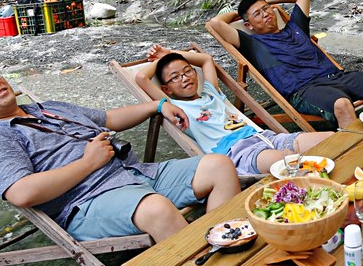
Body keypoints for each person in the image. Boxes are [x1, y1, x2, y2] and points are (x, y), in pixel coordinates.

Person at [0, 61, 240, 243]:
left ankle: (219, 242)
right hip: (88, 202)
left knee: (219, 165)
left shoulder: (49, 108)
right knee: (157, 209)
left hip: (133, 175)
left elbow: (109, 118)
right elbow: (21, 192)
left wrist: (157, 105)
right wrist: (88, 162)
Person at [208, 0, 363, 128]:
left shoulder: (296, 28)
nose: (266, 14)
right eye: (258, 14)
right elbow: (215, 24)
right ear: (249, 25)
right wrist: (240, 12)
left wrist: (263, 2)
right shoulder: (254, 45)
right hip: (304, 90)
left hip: (337, 77)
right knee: (342, 104)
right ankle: (356, 150)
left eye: (266, 10)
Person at [136, 45, 332, 176]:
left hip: (267, 137)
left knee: (331, 139)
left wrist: (169, 54)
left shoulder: (211, 92)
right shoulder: (176, 107)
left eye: (187, 71)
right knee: (290, 164)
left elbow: (205, 59)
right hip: (238, 153)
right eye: (175, 77)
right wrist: (161, 61)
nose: (185, 78)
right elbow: (142, 78)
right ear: (166, 89)